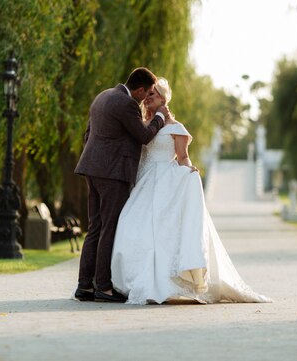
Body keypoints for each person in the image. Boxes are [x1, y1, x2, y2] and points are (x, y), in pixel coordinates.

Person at [111, 78, 272, 304]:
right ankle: (130, 280)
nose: (148, 99)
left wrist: (189, 172)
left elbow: (182, 156)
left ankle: (169, 281)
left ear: (164, 100)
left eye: (153, 95)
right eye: (147, 95)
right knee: (131, 225)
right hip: (143, 183)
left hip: (166, 182)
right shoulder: (141, 126)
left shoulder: (176, 129)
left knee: (163, 230)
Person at [73, 67, 170, 303]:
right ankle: (104, 287)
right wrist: (160, 117)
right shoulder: (126, 104)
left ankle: (84, 285)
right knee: (109, 226)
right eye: (146, 93)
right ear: (138, 89)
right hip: (112, 172)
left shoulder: (103, 96)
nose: (146, 97)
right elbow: (144, 136)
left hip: (92, 168)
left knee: (95, 226)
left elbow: (88, 134)